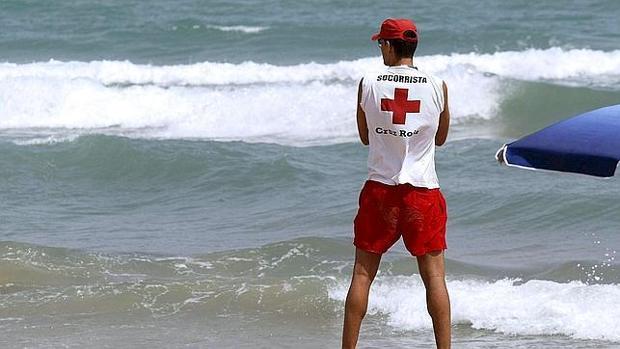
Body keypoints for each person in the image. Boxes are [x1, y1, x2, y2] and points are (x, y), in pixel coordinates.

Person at [342, 18, 451, 349]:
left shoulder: (369, 83)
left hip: (380, 191)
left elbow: (364, 137)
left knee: (362, 275)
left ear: (389, 46)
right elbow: (442, 138)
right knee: (434, 279)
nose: (381, 50)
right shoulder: (437, 84)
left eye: (381, 45)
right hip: (422, 192)